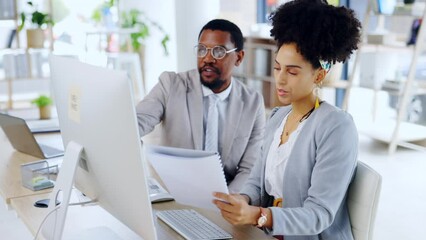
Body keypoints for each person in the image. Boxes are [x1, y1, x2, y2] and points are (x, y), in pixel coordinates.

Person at [213, 1, 361, 239]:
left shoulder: (336, 127)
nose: (280, 80)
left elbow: (318, 215)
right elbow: (256, 181)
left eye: (292, 72)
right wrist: (242, 199)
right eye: (277, 68)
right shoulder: (278, 117)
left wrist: (257, 216)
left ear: (319, 74)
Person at [136, 19, 265, 193]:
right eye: (202, 50)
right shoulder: (171, 84)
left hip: (227, 196)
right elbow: (138, 121)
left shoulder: (253, 102)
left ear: (239, 57)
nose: (208, 58)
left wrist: (228, 201)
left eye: (219, 51)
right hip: (174, 192)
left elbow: (250, 167)